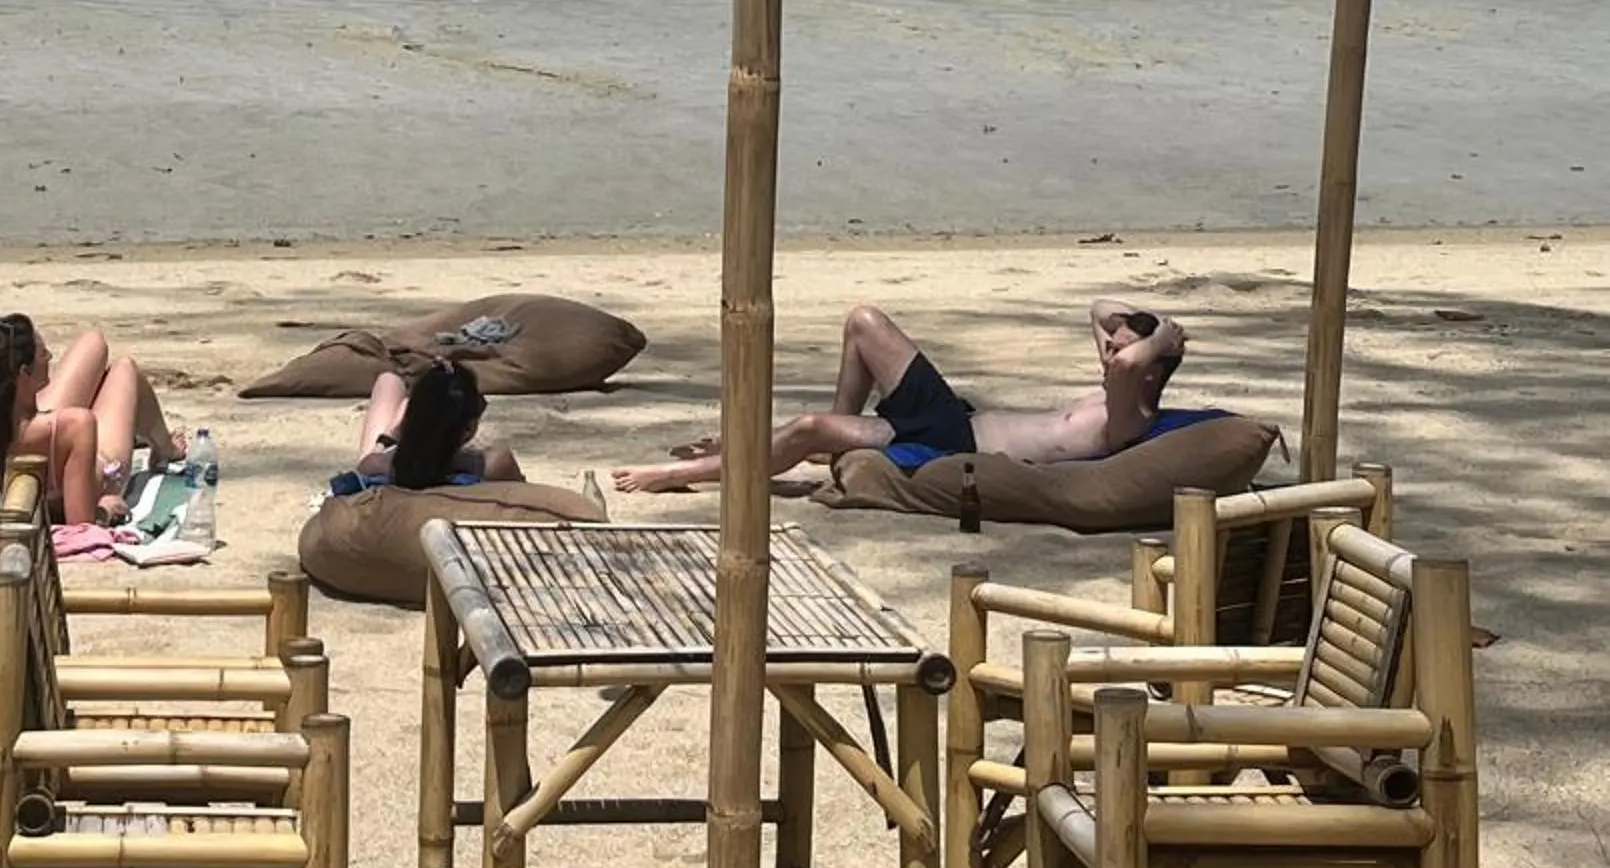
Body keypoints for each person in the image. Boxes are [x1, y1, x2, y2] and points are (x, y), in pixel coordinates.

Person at [614, 297, 1188, 493]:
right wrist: (1150, 328)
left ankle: (679, 476)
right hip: (955, 425)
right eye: (1110, 347)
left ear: (1149, 366)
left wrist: (1161, 338)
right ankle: (818, 446)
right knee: (810, 428)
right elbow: (1099, 309)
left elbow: (1134, 355)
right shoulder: (1125, 381)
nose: (1109, 350)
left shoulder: (1131, 405)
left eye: (1118, 349)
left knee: (865, 322)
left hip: (953, 439)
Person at [0, 314, 184, 546]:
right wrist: (105, 510)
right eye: (42, 354)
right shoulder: (76, 425)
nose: (49, 357)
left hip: (24, 425)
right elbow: (81, 527)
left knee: (93, 341)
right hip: (97, 468)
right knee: (124, 369)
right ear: (24, 372)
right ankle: (165, 449)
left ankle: (152, 439)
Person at [329, 357, 524, 496]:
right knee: (390, 381)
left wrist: (389, 436)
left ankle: (411, 407)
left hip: (396, 469)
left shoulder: (376, 465)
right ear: (467, 429)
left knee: (388, 381)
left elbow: (366, 470)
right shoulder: (494, 464)